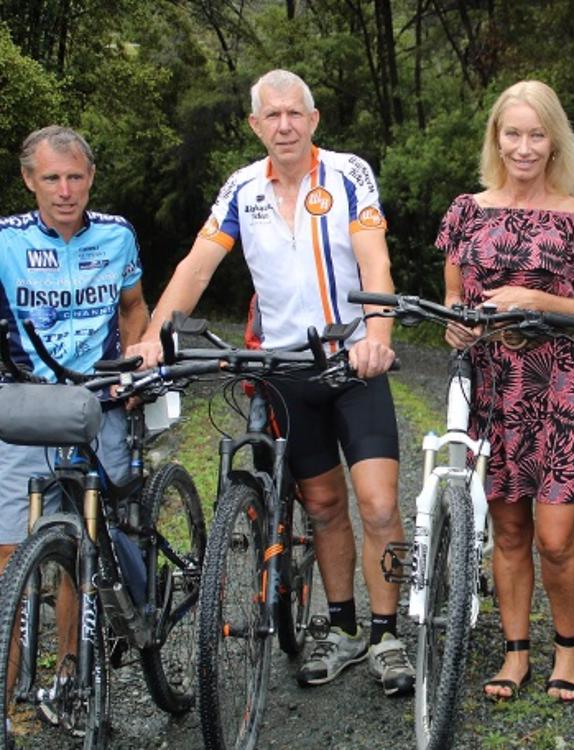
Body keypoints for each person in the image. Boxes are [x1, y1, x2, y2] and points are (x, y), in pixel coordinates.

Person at [126, 69, 414, 696]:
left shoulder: (347, 173)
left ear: (313, 120)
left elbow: (376, 260)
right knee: (324, 506)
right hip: (284, 370)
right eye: (272, 116)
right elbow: (197, 268)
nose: (285, 126)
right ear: (256, 126)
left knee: (379, 503)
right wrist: (152, 338)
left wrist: (378, 336)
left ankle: (387, 635)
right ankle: (342, 628)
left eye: (295, 113)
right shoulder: (241, 188)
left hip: (351, 361)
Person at [435, 80, 574, 703]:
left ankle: (567, 649)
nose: (523, 147)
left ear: (554, 141)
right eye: (512, 133)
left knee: (555, 538)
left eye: (536, 134)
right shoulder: (467, 210)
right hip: (490, 385)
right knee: (509, 532)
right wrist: (456, 326)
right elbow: (452, 299)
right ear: (496, 139)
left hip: (555, 387)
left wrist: (536, 298)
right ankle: (515, 652)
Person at [0, 125, 149, 735]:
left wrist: (135, 362)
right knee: (11, 555)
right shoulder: (6, 241)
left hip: (99, 406)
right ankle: (7, 696)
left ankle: (70, 676)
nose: (65, 191)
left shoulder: (117, 235)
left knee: (86, 549)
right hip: (27, 409)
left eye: (75, 177)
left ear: (90, 178)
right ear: (29, 180)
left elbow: (133, 305)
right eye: (52, 178)